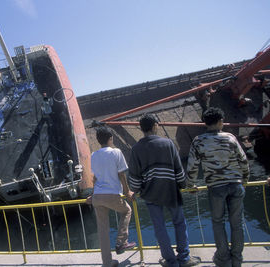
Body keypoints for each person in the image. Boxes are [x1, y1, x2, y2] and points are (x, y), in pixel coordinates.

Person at [128, 114, 200, 267]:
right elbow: (178, 170)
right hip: (171, 191)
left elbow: (134, 177)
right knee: (179, 223)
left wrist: (135, 189)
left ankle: (170, 261)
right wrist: (185, 185)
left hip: (150, 194)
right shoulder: (168, 144)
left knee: (159, 227)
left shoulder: (136, 149)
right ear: (155, 125)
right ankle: (184, 258)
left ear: (141, 129)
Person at [186, 107, 250, 267]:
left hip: (215, 187)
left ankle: (223, 259)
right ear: (220, 121)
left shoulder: (199, 141)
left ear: (205, 123)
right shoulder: (230, 138)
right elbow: (243, 161)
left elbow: (192, 166)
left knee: (217, 222)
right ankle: (237, 259)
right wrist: (245, 180)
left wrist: (191, 184)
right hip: (236, 185)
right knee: (237, 223)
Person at [87, 127, 135, 267]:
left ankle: (107, 262)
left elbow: (95, 178)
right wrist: (127, 192)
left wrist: (92, 195)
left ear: (98, 140)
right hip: (112, 194)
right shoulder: (116, 152)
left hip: (97, 197)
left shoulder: (94, 155)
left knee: (103, 231)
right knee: (127, 211)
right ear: (110, 138)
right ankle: (121, 242)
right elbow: (121, 174)